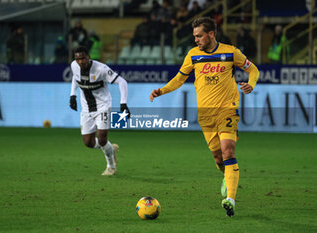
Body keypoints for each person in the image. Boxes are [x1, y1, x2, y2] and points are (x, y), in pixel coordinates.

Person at [149, 17, 259, 217]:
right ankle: (227, 176)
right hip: (205, 114)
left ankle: (231, 200)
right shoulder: (193, 55)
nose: (196, 40)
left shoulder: (230, 51)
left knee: (228, 151)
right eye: (194, 36)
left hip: (227, 108)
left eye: (199, 36)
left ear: (211, 34)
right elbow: (179, 79)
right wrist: (162, 91)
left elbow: (253, 69)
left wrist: (251, 83)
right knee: (218, 158)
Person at [69, 46, 130, 176]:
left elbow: (122, 82)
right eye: (77, 59)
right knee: (88, 143)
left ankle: (111, 167)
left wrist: (123, 103)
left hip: (103, 106)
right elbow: (75, 77)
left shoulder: (101, 69)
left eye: (83, 58)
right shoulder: (74, 65)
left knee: (102, 139)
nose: (80, 62)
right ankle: (110, 149)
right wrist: (72, 95)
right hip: (86, 109)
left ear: (88, 57)